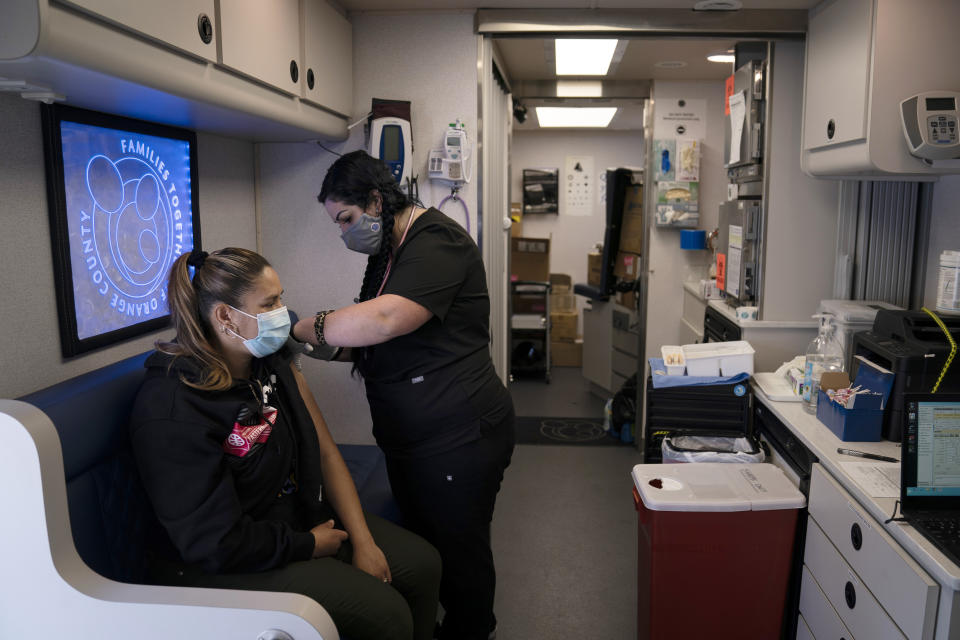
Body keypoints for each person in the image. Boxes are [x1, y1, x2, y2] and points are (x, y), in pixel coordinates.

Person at [129, 247, 441, 640]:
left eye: (280, 296)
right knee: (385, 614)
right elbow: (214, 542)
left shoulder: (267, 364)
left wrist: (362, 541)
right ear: (226, 316)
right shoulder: (173, 407)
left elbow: (325, 450)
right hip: (221, 562)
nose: (283, 311)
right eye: (270, 302)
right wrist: (309, 545)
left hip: (293, 522)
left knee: (424, 564)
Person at [291, 150, 515, 640]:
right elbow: (373, 339)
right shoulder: (388, 253)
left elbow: (387, 319)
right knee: (433, 548)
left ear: (376, 199)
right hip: (414, 440)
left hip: (460, 434)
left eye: (347, 218)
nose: (344, 232)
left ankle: (474, 631)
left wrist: (304, 325)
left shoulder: (437, 241)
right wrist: (303, 346)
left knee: (461, 556)